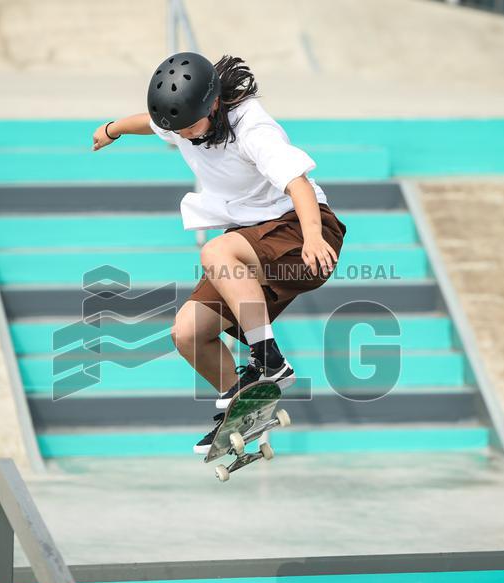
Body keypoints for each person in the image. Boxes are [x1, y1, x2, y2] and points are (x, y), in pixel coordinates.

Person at [92, 52, 346, 454]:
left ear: (213, 104)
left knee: (215, 250)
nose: (186, 136)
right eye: (178, 130)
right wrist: (112, 129)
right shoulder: (183, 122)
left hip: (303, 232)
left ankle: (270, 361)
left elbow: (296, 182)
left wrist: (314, 236)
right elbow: (152, 123)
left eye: (191, 127)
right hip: (252, 245)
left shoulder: (252, 127)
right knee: (188, 333)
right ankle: (245, 410)